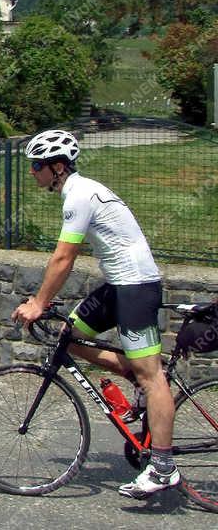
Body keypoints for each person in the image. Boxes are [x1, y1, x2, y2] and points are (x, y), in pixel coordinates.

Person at [10, 129, 179, 498]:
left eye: (36, 165)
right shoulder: (78, 191)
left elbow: (63, 257)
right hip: (119, 285)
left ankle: (163, 467)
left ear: (56, 167)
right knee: (66, 336)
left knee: (153, 378)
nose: (32, 172)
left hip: (135, 287)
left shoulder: (79, 195)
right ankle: (131, 373)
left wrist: (39, 303)